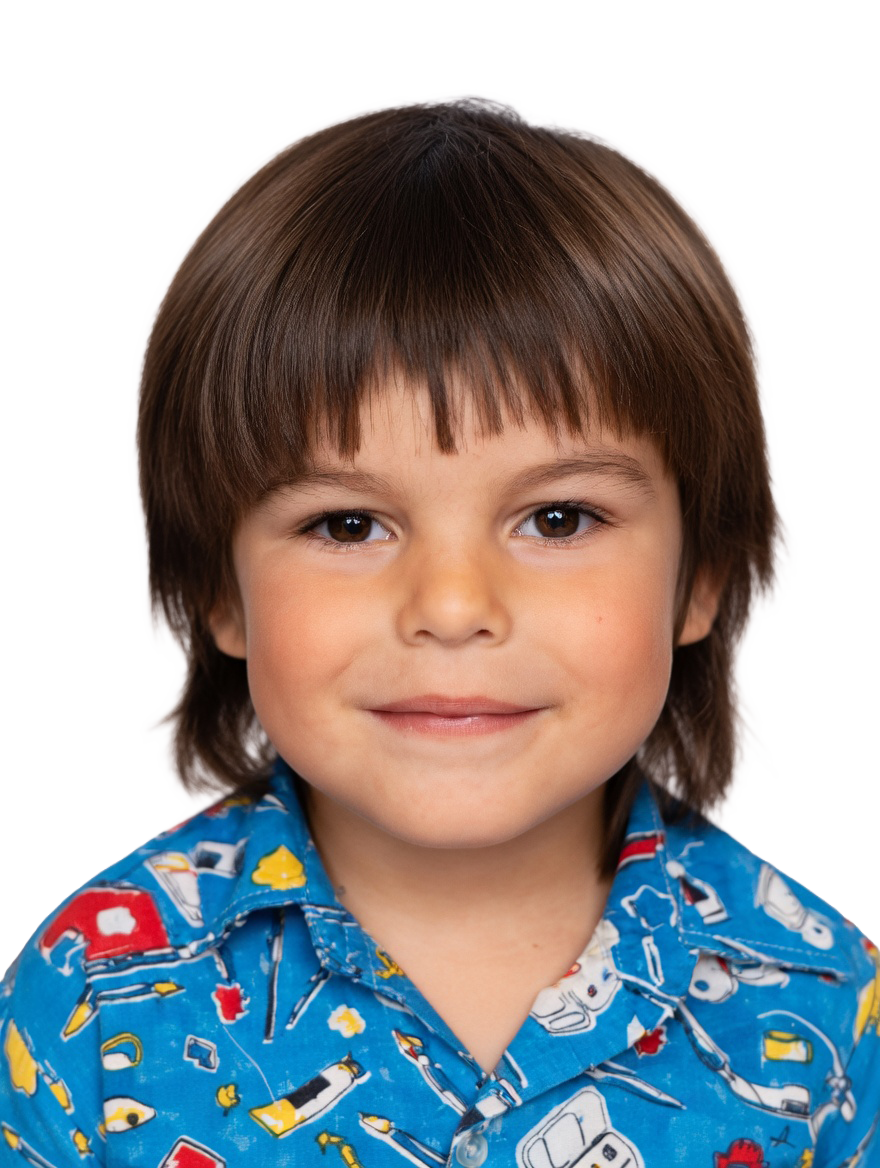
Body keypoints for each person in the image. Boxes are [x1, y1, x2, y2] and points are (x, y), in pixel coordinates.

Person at [1, 97, 877, 1167]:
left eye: (559, 519)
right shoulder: (89, 1001)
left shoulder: (828, 1011)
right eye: (347, 524)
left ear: (700, 578)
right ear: (218, 590)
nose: (454, 606)